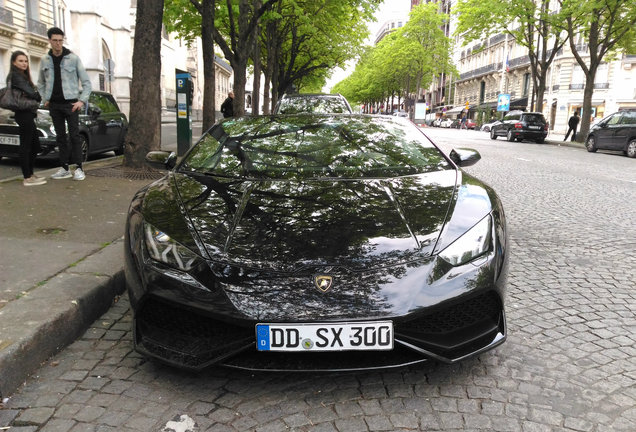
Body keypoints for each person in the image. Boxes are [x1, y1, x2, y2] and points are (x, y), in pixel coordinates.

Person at [37, 27, 91, 181]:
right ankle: (64, 168)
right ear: (49, 41)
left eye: (60, 40)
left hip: (71, 104)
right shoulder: (44, 60)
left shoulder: (73, 59)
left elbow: (86, 83)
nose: (58, 44)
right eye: (55, 40)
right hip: (54, 104)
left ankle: (79, 168)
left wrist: (81, 101)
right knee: (60, 137)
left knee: (75, 136)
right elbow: (40, 83)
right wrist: (44, 98)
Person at [7, 51, 46, 186]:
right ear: (14, 62)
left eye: (25, 61)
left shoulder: (22, 76)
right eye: (20, 61)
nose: (24, 63)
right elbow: (31, 93)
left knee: (34, 145)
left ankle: (30, 173)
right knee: (26, 145)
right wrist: (37, 95)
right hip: (23, 114)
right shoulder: (16, 76)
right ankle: (27, 177)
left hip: (27, 113)